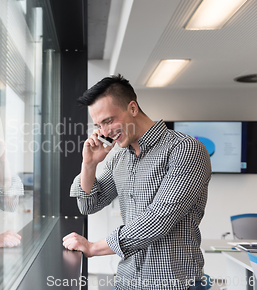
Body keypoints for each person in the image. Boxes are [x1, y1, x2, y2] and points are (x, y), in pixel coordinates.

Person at [62, 75, 212, 290]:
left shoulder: (185, 149)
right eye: (98, 125)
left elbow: (158, 219)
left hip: (174, 283)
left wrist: (93, 247)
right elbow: (88, 205)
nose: (104, 132)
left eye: (108, 121)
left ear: (132, 108)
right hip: (127, 280)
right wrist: (89, 164)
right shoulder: (119, 157)